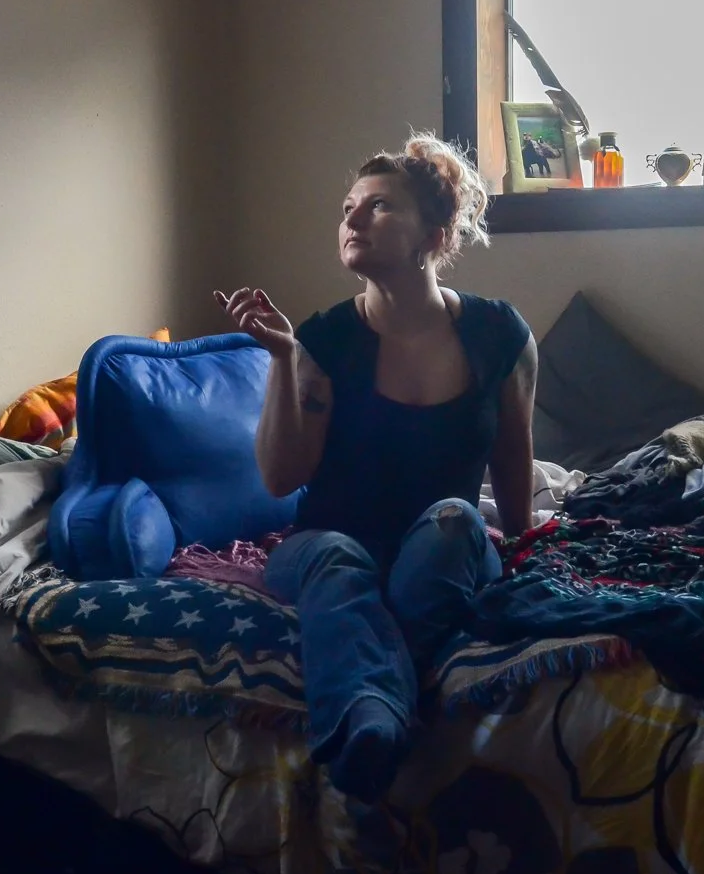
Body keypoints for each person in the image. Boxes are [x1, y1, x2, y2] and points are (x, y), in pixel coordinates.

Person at [214, 135, 536, 801]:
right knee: (334, 554)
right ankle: (371, 719)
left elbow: (512, 457)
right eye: (347, 208)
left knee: (455, 519)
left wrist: (524, 545)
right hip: (328, 543)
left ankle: (376, 661)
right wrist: (282, 358)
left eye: (379, 207)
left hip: (435, 548)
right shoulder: (325, 340)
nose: (352, 220)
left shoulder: (500, 335)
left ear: (435, 235)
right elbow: (281, 478)